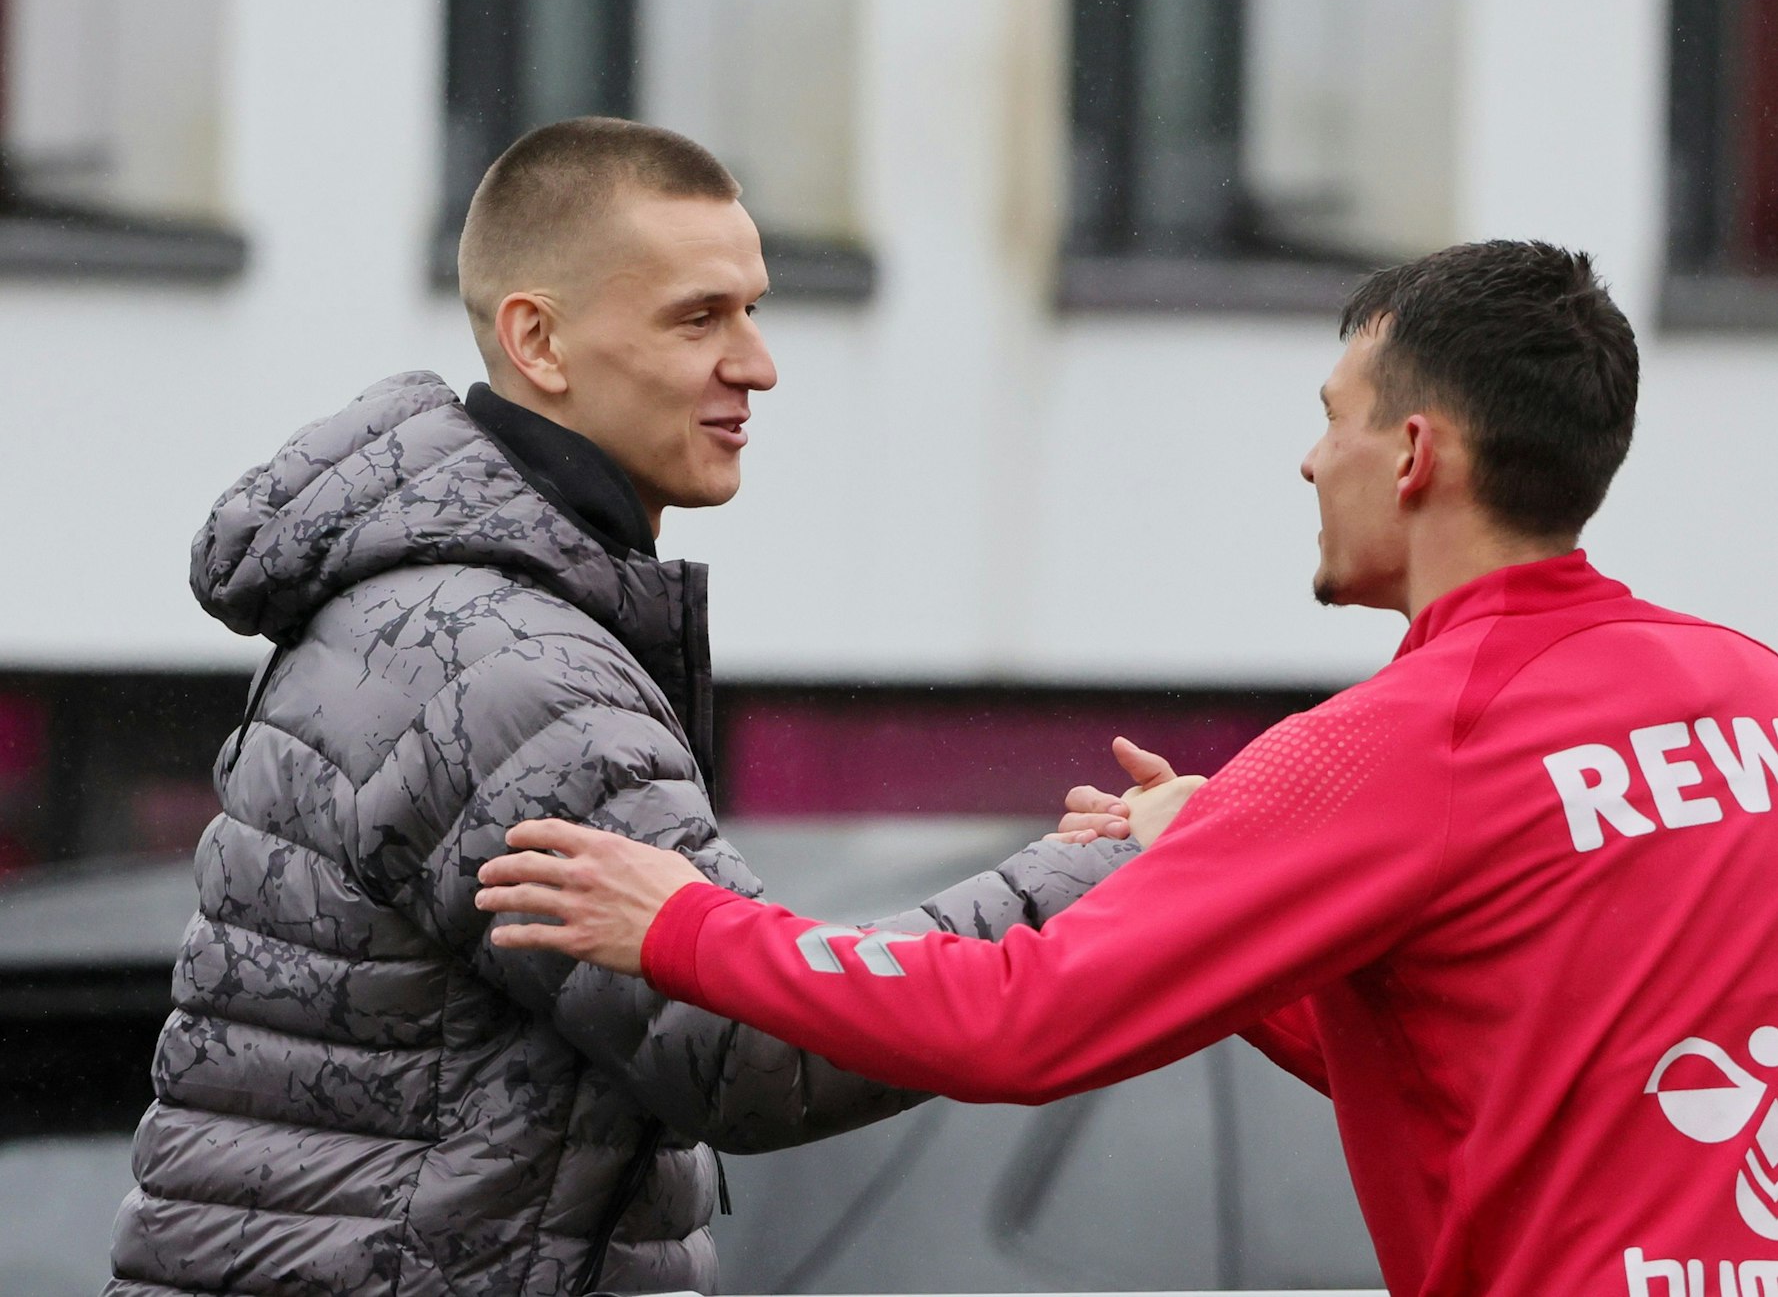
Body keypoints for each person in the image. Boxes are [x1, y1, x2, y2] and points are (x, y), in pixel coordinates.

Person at [476, 240, 1778, 1296]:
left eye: (1333, 421)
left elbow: (1015, 1016)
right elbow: (1498, 1059)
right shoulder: (1746, 688)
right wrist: (1217, 884)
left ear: (1417, 455)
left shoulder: (1382, 749)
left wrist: (685, 925)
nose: (1310, 459)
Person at [104, 117, 1139, 1297]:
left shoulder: (463, 614)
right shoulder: (499, 664)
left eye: (753, 309)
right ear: (536, 339)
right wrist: (1100, 872)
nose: (756, 364)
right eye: (699, 318)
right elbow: (749, 1048)